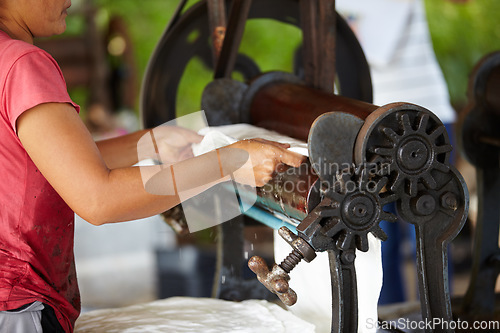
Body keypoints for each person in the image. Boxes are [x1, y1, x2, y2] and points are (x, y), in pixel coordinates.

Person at [0, 0, 304, 332]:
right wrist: (231, 162)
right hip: (17, 309)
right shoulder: (23, 64)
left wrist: (149, 143)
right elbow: (99, 199)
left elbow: (42, 162)